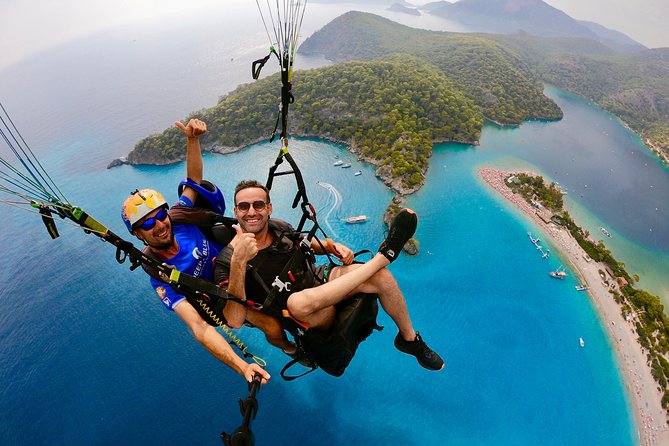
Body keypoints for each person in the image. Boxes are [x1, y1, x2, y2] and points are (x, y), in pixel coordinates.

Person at [120, 119, 292, 383]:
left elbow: (193, 181)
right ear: (136, 233)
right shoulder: (161, 275)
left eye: (160, 216)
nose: (159, 225)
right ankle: (290, 347)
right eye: (147, 224)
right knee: (271, 325)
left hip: (243, 267)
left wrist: (192, 140)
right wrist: (241, 366)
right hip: (223, 299)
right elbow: (199, 327)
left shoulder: (181, 219)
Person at [214, 180, 444, 371]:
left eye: (258, 205)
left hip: (319, 279)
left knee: (382, 277)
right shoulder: (227, 259)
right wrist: (238, 262)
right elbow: (233, 320)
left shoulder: (278, 226)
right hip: (302, 313)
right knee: (298, 302)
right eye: (244, 207)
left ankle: (408, 340)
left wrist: (332, 247)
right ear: (235, 212)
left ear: (269, 208)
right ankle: (383, 256)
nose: (252, 212)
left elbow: (306, 243)